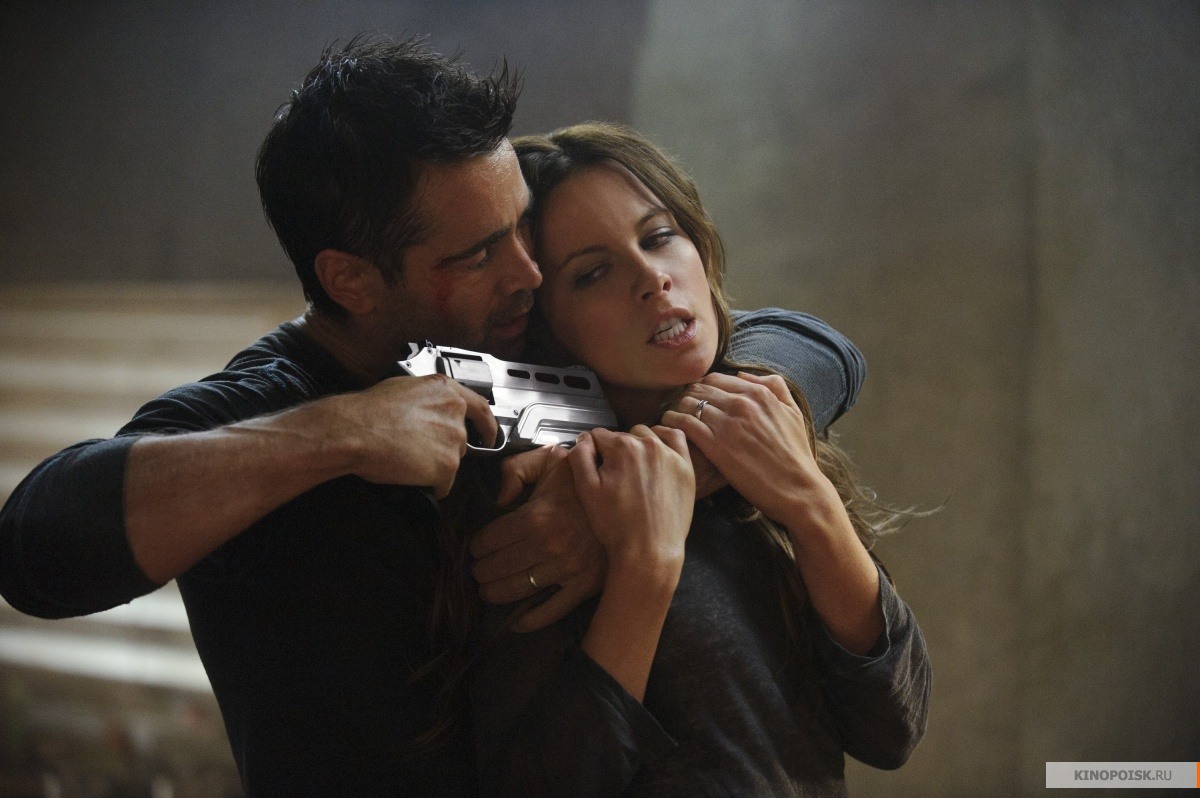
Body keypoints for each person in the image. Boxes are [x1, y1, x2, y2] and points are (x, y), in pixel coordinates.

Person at [0, 38, 866, 796]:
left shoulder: (505, 359)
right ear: (350, 280)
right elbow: (35, 546)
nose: (529, 273)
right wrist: (341, 435)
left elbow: (807, 343)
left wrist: (671, 470)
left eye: (520, 227)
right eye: (482, 253)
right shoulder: (267, 403)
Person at [432, 123, 930, 796]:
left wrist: (808, 503)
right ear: (547, 323)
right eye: (593, 274)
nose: (651, 278)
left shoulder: (758, 436)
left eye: (659, 236)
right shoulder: (539, 497)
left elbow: (893, 726)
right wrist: (642, 566)